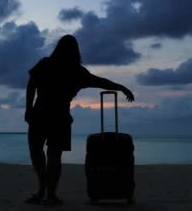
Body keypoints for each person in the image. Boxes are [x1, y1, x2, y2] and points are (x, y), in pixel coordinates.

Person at [24, 34, 135, 205]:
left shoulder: (51, 65)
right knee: (51, 156)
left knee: (39, 154)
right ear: (76, 51)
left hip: (42, 115)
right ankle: (49, 194)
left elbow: (31, 85)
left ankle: (44, 191)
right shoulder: (74, 71)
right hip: (55, 117)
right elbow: (102, 82)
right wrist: (122, 87)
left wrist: (29, 107)